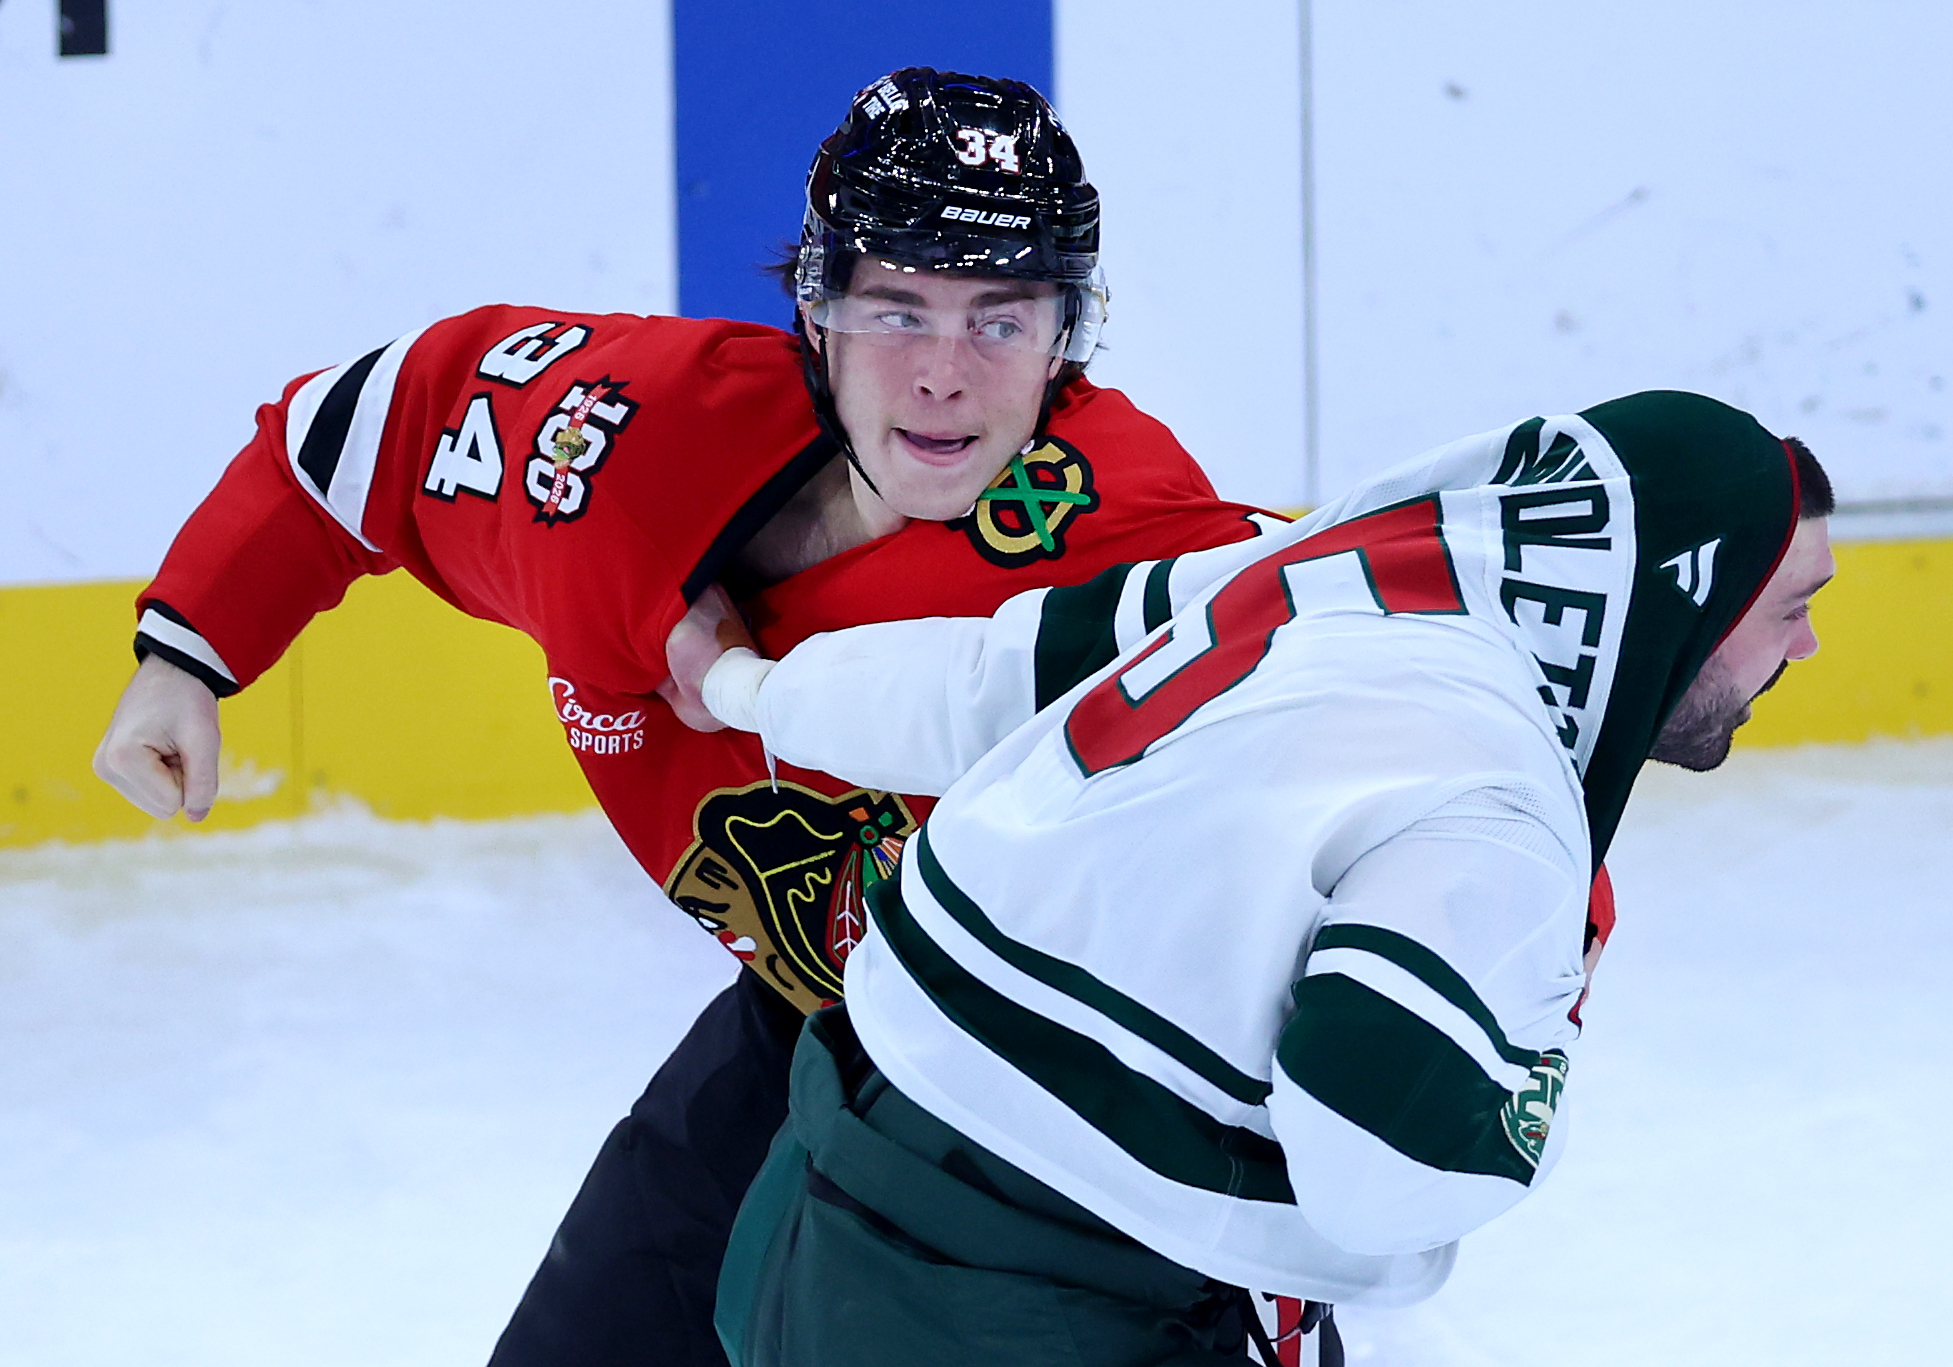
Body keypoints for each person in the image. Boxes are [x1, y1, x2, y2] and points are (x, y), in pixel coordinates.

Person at [90, 70, 1270, 1366]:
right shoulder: (613, 454)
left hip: (1086, 1103)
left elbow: (1341, 743)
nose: (944, 373)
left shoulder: (1135, 534)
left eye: (1001, 317)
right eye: (897, 308)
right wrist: (186, 649)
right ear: (815, 311)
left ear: (1067, 334)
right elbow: (366, 425)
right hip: (803, 1027)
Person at [661, 392, 1837, 1366]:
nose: (1804, 647)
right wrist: (1535, 1086)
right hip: (1033, 1306)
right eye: (1789, 608)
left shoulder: (1317, 576)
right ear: (1685, 598)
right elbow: (1384, 1158)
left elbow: (986, 675)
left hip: (818, 1194)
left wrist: (743, 692)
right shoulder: (1500, 795)